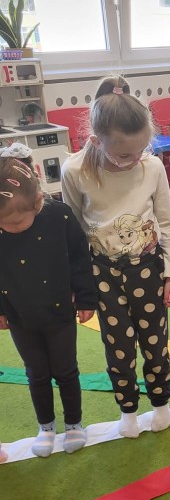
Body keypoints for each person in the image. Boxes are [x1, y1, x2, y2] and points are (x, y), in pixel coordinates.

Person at [61, 75, 170, 439]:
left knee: (155, 342)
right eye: (125, 154)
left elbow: (167, 222)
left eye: (142, 149)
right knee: (118, 347)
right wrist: (78, 285)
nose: (135, 159)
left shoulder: (151, 166)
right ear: (97, 141)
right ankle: (128, 409)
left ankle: (161, 404)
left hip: (147, 270)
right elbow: (73, 232)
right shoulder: (75, 171)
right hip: (103, 274)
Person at [0, 155, 97, 457]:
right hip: (20, 317)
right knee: (37, 373)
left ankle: (73, 423)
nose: (8, 227)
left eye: (16, 222)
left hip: (59, 313)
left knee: (66, 371)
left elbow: (80, 258)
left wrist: (86, 298)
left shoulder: (60, 216)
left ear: (38, 201)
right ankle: (46, 426)